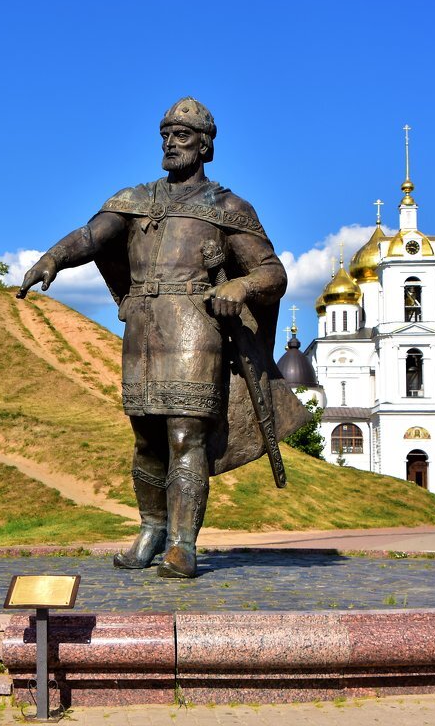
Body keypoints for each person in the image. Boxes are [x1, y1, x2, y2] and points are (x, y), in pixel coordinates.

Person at [18, 97, 303, 578]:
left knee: (184, 435)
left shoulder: (228, 208)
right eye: (166, 135)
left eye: (183, 135)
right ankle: (151, 529)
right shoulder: (135, 199)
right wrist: (54, 257)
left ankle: (183, 544)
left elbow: (272, 273)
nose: (171, 143)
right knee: (147, 439)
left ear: (206, 145)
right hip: (144, 327)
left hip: (196, 327)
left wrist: (240, 284)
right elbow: (91, 236)